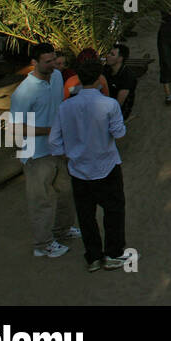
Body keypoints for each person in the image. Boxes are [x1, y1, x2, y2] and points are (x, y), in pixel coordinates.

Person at [49, 59, 133, 272]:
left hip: (79, 169)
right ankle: (113, 253)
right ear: (98, 78)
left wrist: (68, 154)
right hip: (107, 165)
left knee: (86, 215)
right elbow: (119, 133)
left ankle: (93, 257)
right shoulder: (109, 104)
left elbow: (54, 141)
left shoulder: (65, 107)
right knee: (114, 211)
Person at [10, 44, 80, 259]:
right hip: (35, 154)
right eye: (47, 61)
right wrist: (48, 131)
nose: (53, 65)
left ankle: (63, 229)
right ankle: (43, 243)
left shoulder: (57, 77)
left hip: (58, 149)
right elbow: (15, 127)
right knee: (41, 200)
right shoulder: (23, 92)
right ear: (35, 63)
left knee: (66, 193)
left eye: (54, 59)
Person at [103, 43, 139, 121]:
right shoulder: (106, 68)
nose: (107, 55)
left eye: (112, 54)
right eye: (109, 53)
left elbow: (119, 103)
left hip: (121, 110)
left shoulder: (128, 77)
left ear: (120, 59)